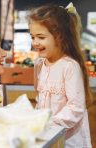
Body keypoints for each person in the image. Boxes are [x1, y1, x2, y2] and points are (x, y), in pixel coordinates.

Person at [27, 3, 93, 147]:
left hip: (68, 140)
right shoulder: (39, 64)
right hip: (47, 136)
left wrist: (49, 123)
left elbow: (75, 108)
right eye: (32, 37)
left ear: (60, 37)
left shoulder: (69, 66)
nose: (35, 43)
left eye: (41, 37)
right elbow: (40, 97)